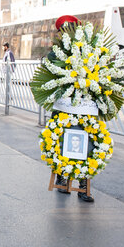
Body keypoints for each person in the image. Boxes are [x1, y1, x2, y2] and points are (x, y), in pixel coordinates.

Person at [50, 14, 94, 202]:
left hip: (84, 107)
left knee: (88, 142)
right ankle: (62, 177)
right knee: (61, 140)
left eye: (72, 30)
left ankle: (84, 185)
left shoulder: (89, 51)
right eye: (65, 31)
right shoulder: (54, 54)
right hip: (63, 107)